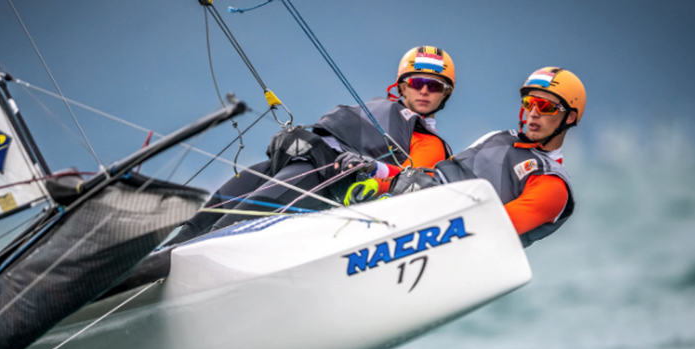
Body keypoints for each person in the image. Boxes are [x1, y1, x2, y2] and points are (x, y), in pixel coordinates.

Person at [166, 46, 457, 244]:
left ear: (445, 95)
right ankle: (162, 255)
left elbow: (414, 182)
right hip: (303, 160)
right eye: (418, 82)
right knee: (222, 201)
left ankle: (197, 253)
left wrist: (374, 168)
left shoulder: (431, 143)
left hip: (331, 181)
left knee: (229, 225)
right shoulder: (378, 110)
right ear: (402, 85)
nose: (424, 91)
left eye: (435, 86)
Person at [391, 66, 585, 247]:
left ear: (569, 117)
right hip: (416, 213)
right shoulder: (498, 137)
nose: (533, 114)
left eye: (545, 107)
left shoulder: (553, 185)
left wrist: (431, 201)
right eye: (529, 103)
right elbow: (432, 176)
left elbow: (493, 226)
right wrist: (380, 175)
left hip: (451, 244)